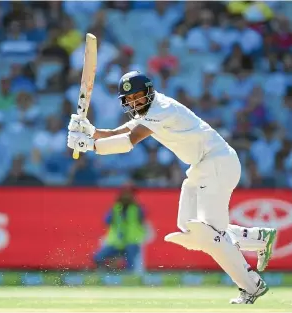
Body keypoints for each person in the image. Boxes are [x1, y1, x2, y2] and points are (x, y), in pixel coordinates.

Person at [67, 70, 277, 304]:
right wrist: (88, 130)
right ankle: (259, 237)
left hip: (218, 163)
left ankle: (252, 286)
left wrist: (90, 146)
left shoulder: (161, 109)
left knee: (210, 235)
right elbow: (117, 133)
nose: (135, 102)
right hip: (203, 167)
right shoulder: (148, 113)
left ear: (149, 92)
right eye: (130, 100)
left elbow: (128, 142)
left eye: (138, 96)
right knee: (190, 228)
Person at [94, 184, 146, 272]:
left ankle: (129, 279)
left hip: (131, 241)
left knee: (130, 262)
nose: (128, 196)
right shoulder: (115, 208)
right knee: (98, 257)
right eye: (126, 194)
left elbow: (142, 220)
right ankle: (108, 273)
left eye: (130, 194)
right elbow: (107, 221)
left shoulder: (137, 209)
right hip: (116, 242)